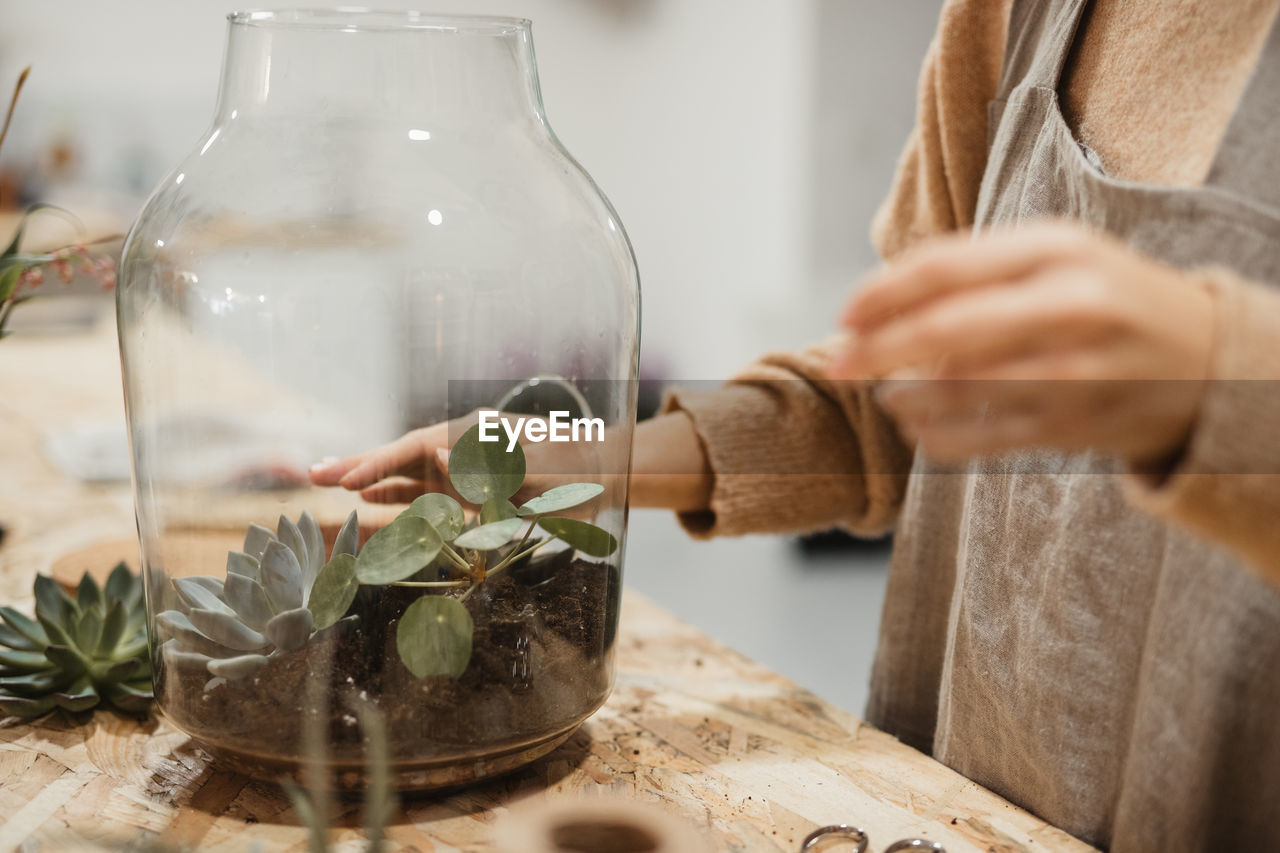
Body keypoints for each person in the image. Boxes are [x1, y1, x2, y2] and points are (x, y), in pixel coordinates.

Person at [310, 1, 1280, 849]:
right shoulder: (1006, 15)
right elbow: (896, 401)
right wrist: (561, 463)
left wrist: (1218, 383)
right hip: (953, 802)